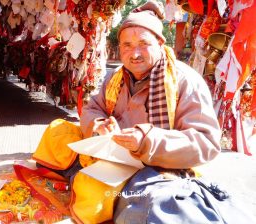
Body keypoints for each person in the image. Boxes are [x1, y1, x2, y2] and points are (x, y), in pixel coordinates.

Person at [32, 1, 221, 223]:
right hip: (112, 153)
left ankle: (83, 182)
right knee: (58, 130)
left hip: (155, 166)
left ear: (160, 43)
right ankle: (81, 177)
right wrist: (98, 125)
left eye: (144, 44)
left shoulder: (185, 81)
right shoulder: (117, 77)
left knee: (93, 188)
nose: (135, 54)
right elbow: (93, 108)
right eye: (127, 45)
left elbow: (206, 143)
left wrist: (147, 140)